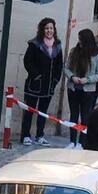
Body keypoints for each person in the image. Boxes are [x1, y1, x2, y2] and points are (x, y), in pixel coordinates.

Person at [21, 17, 63, 146]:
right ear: (42, 29)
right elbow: (27, 61)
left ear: (54, 29)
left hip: (48, 86)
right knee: (30, 111)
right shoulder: (35, 44)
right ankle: (26, 135)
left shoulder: (57, 45)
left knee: (43, 112)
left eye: (51, 28)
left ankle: (40, 135)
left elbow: (59, 65)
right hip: (34, 85)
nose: (49, 31)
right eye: (46, 28)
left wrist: (55, 80)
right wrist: (36, 75)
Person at [63, 28, 98, 149]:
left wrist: (88, 80)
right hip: (73, 88)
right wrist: (72, 77)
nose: (79, 42)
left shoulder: (97, 55)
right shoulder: (74, 52)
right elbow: (66, 68)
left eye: (82, 39)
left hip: (88, 90)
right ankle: (72, 141)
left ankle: (82, 142)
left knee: (85, 116)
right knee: (74, 115)